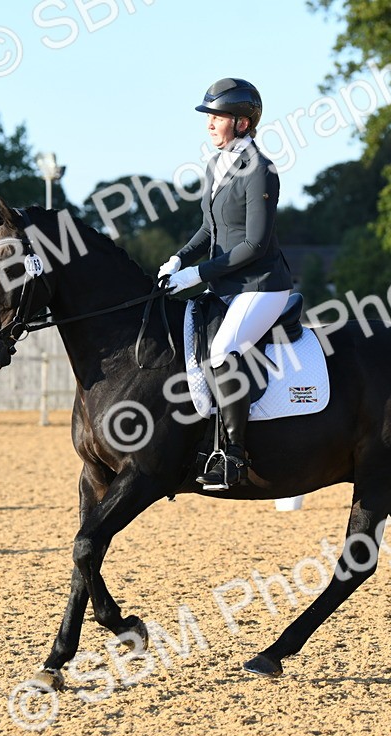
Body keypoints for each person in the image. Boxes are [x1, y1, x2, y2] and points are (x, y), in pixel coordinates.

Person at [159, 78, 293, 491]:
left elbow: (254, 244)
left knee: (222, 351)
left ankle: (233, 455)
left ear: (242, 122)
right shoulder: (216, 165)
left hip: (261, 286)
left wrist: (197, 274)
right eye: (210, 117)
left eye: (217, 117)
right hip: (225, 286)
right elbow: (208, 228)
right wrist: (180, 258)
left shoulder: (261, 171)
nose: (210, 124)